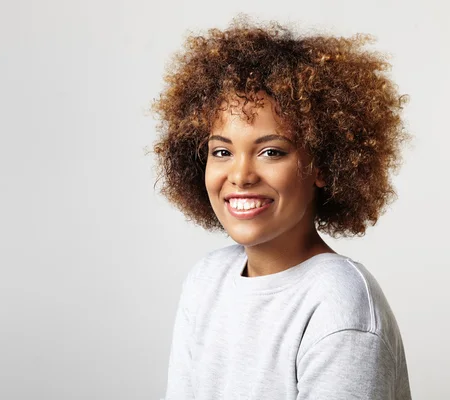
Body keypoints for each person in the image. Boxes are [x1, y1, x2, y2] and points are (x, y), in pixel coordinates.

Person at [151, 16, 412, 400]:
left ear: (322, 165)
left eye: (271, 152)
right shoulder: (205, 281)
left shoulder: (340, 306)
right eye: (222, 151)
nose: (240, 175)